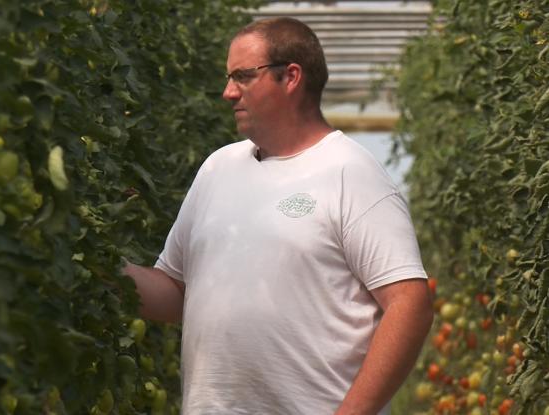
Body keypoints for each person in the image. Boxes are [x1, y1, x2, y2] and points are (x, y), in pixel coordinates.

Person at [123, 17, 433, 415]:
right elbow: (176, 292)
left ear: (290, 77)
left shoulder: (349, 173)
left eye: (242, 76)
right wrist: (102, 266)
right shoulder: (218, 168)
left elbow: (409, 303)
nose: (227, 92)